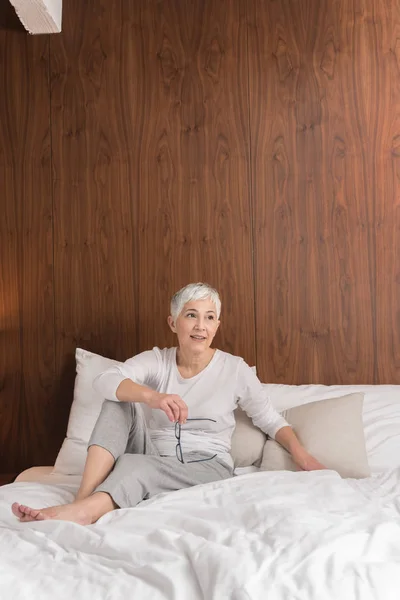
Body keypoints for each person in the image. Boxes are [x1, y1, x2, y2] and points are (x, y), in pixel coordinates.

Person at [12, 282, 324, 525]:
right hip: (152, 453)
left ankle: (83, 513)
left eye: (209, 317)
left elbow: (269, 419)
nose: (201, 325)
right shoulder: (157, 361)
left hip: (207, 465)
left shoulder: (235, 369)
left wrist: (302, 455)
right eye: (191, 315)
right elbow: (104, 381)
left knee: (134, 465)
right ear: (173, 322)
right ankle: (81, 500)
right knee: (117, 399)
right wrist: (153, 397)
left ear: (216, 326)